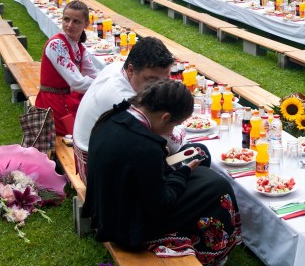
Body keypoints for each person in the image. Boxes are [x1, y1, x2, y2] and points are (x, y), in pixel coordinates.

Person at [82, 79, 242, 263]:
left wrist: (175, 169)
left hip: (110, 206)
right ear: (165, 117)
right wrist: (183, 172)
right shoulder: (145, 148)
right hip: (127, 227)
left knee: (204, 171)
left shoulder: (112, 117)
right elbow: (160, 205)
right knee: (217, 188)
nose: (170, 131)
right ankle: (212, 252)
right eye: (173, 126)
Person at [74, 36, 175, 181]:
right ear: (131, 70)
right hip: (93, 167)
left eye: (165, 80)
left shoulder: (118, 68)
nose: (159, 88)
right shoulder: (121, 97)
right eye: (151, 80)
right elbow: (172, 142)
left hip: (95, 152)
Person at [35, 0, 98, 136]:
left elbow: (93, 74)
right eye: (66, 19)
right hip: (52, 104)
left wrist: (111, 79)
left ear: (86, 24)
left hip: (67, 99)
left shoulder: (79, 47)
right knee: (84, 132)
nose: (70, 25)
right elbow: (77, 83)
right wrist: (108, 84)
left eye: (76, 21)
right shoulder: (56, 45)